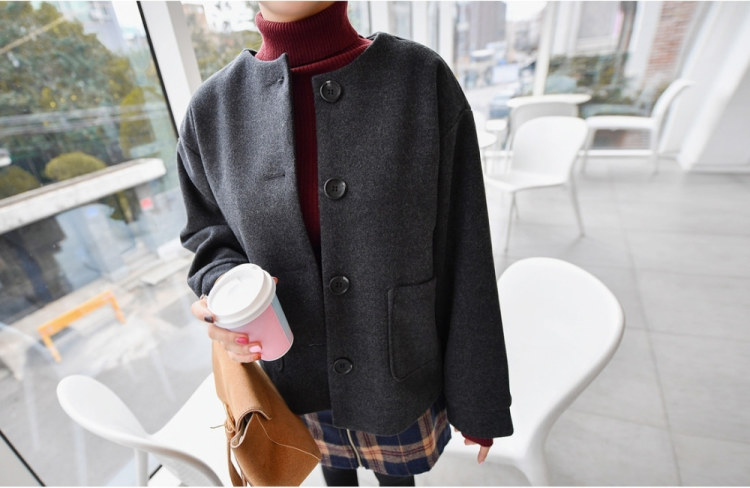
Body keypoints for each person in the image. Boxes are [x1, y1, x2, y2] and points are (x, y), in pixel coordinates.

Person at [177, 2, 513, 486]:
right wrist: (224, 290)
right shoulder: (212, 111)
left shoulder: (419, 80)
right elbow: (209, 235)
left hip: (398, 370)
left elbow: (466, 247)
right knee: (334, 477)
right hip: (292, 378)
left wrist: (478, 397)